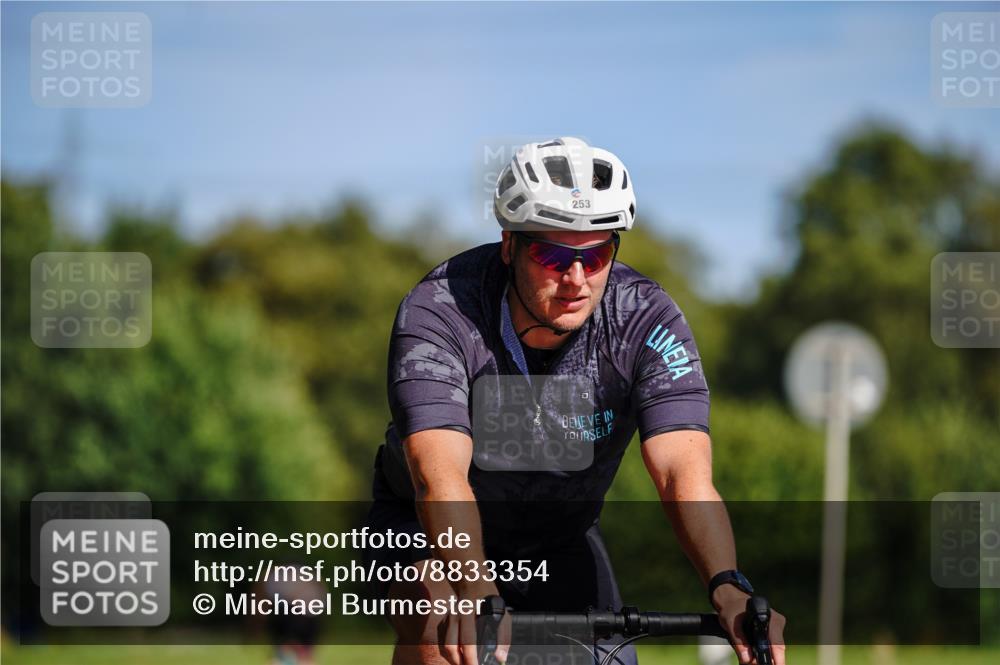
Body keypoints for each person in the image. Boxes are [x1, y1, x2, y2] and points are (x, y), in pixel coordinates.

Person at [364, 137, 786, 665]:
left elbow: (682, 474)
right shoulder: (441, 309)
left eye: (597, 254)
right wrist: (475, 586)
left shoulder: (645, 320)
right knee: (445, 630)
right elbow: (438, 475)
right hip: (425, 531)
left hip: (558, 534)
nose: (577, 280)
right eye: (553, 255)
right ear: (509, 245)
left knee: (605, 658)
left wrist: (728, 583)